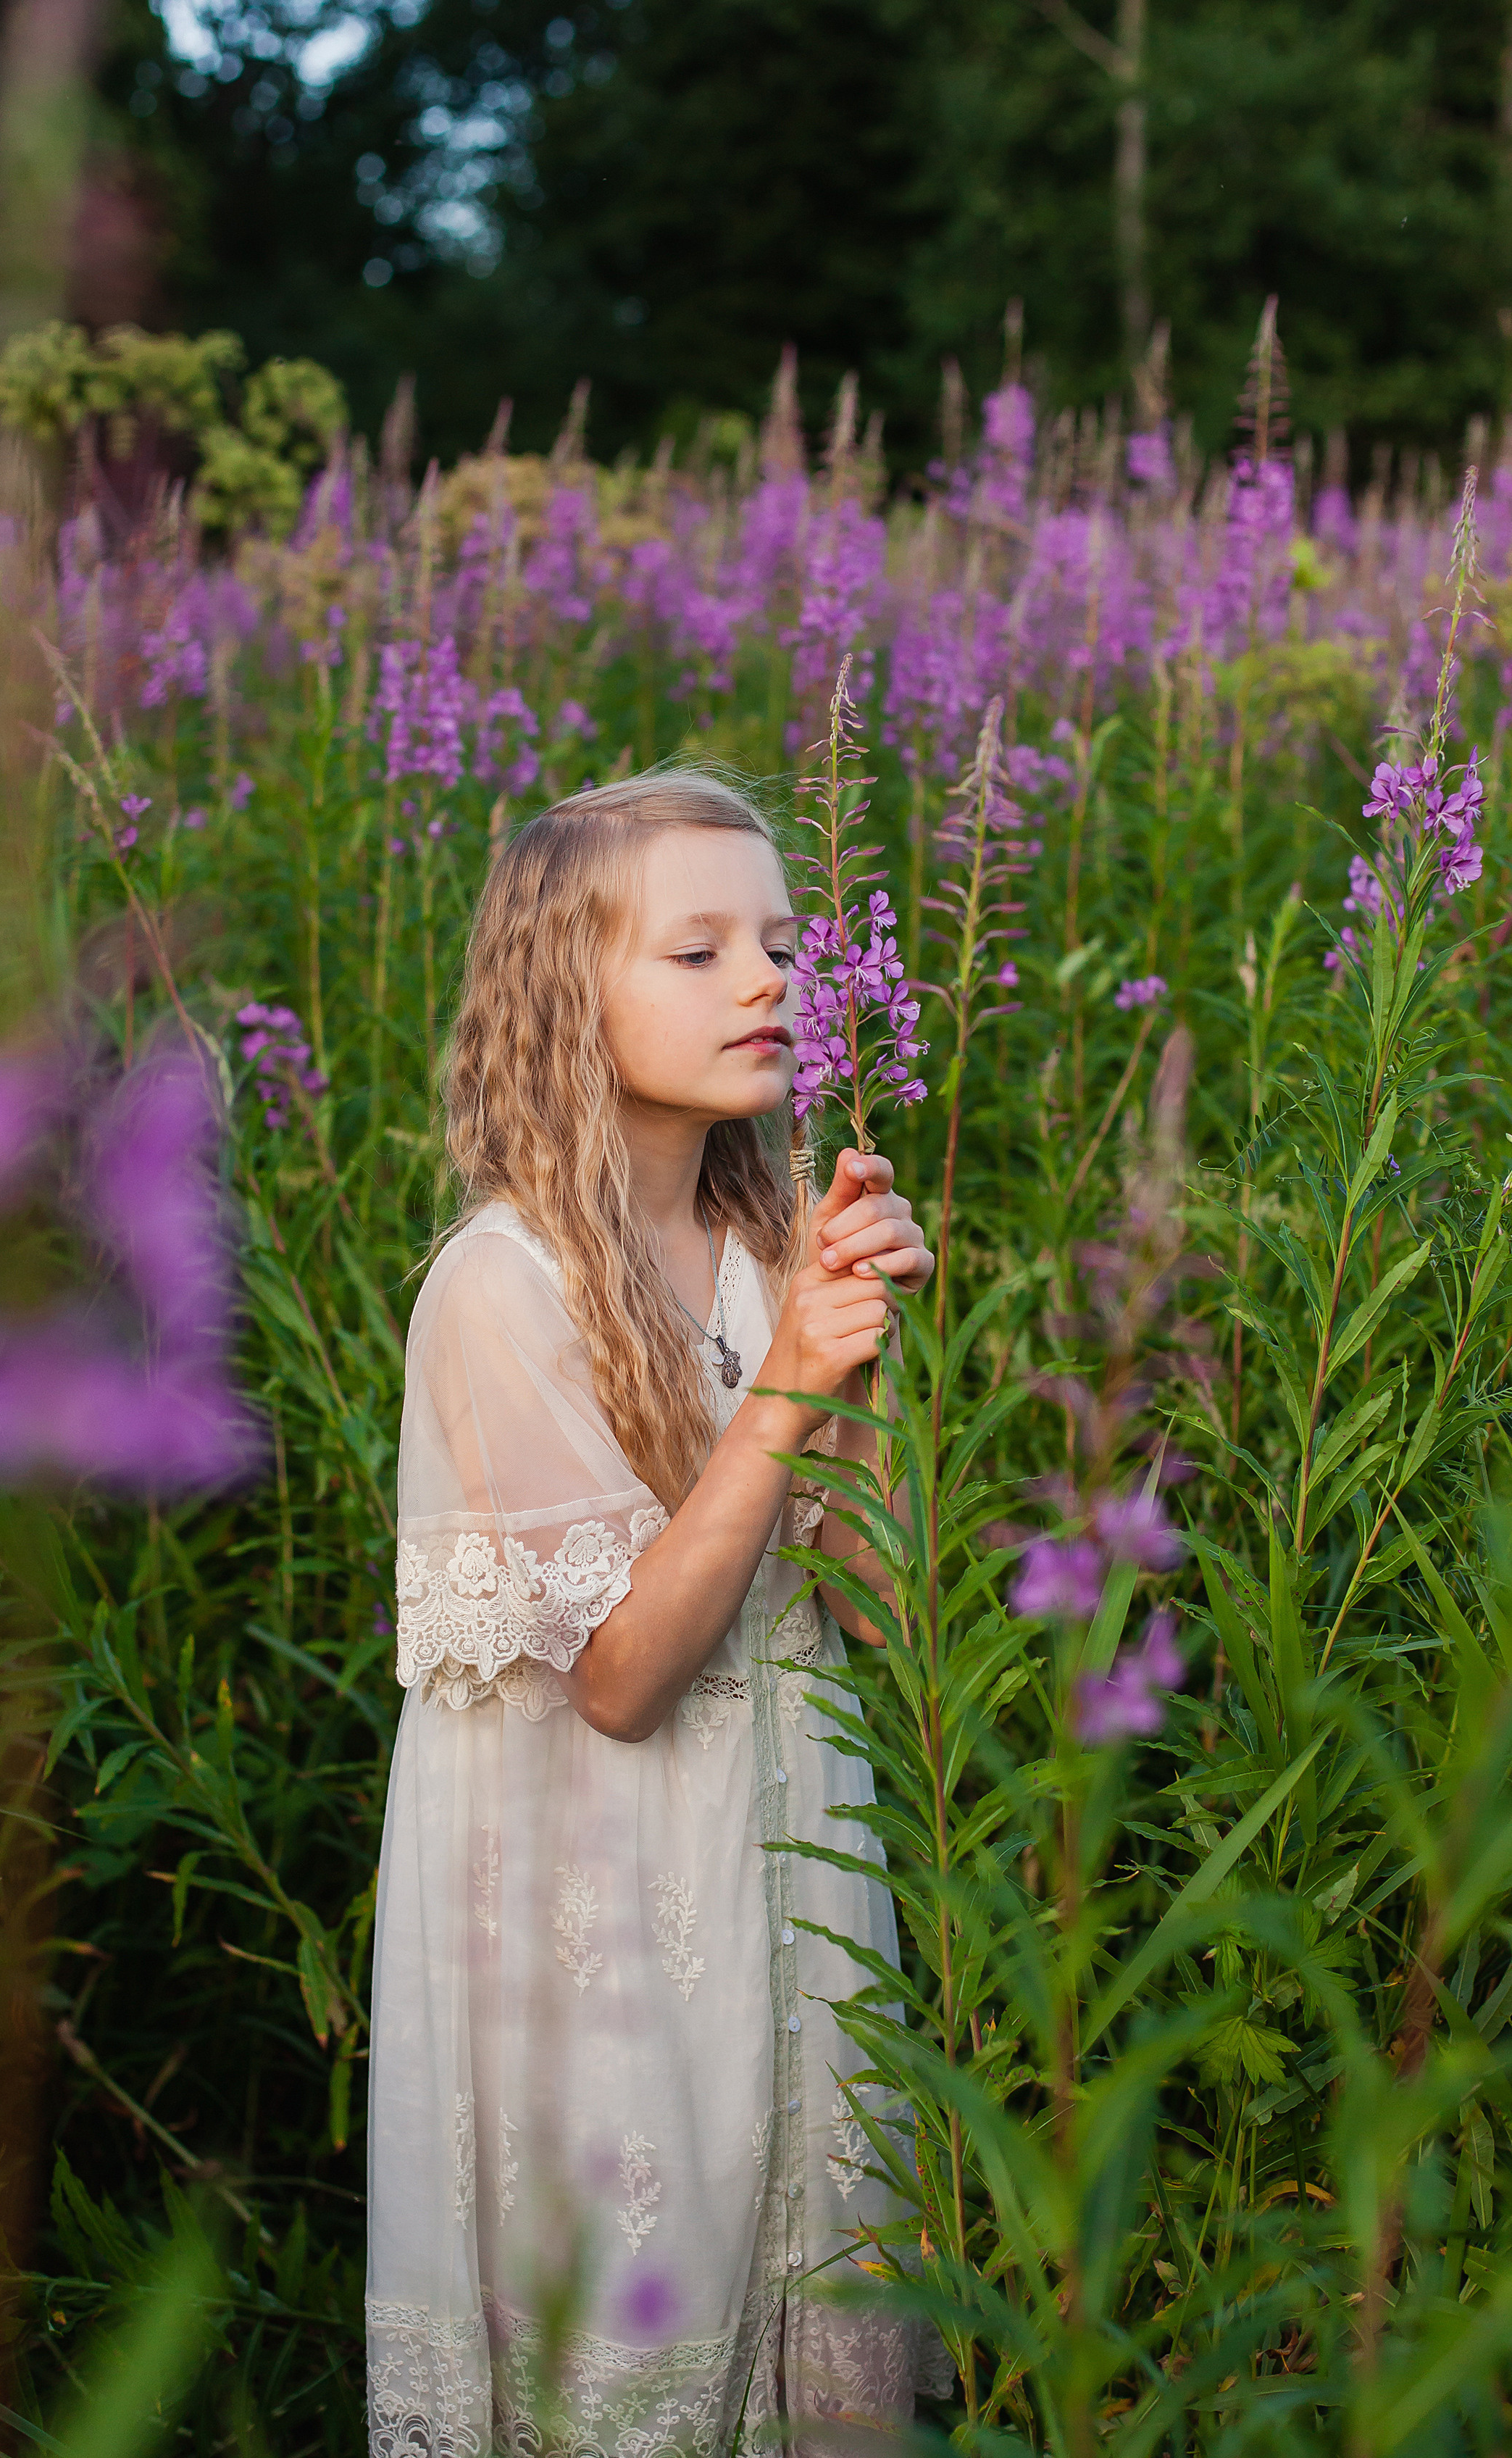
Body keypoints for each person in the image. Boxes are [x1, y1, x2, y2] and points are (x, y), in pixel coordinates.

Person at [365, 769, 944, 2457]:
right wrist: (789, 1383)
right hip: (602, 1931)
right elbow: (621, 1678)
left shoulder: (766, 1247)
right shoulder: (502, 1284)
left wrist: (857, 1360)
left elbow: (880, 1614)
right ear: (568, 994)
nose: (771, 977)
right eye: (698, 950)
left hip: (788, 1881)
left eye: (778, 940)